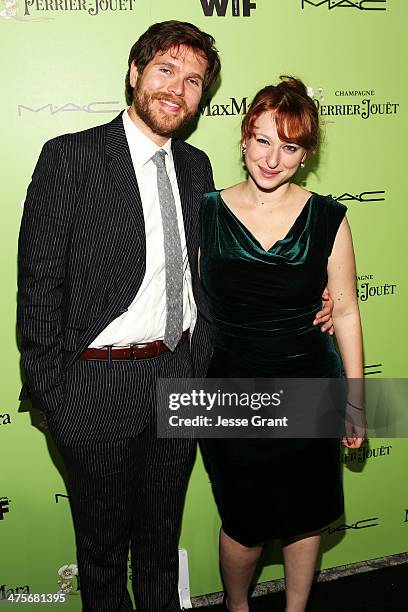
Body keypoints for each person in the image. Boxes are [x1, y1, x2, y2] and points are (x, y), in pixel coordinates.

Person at [17, 20, 221, 612]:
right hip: (94, 386)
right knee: (103, 558)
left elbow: (213, 272)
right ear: (134, 73)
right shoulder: (71, 158)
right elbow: (39, 285)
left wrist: (198, 360)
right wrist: (57, 392)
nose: (177, 90)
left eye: (193, 80)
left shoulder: (198, 166)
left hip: (178, 379)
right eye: (165, 70)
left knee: (160, 546)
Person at [199, 77, 364, 612]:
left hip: (309, 384)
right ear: (244, 139)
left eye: (289, 146)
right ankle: (237, 606)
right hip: (228, 388)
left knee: (305, 513)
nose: (273, 158)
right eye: (263, 140)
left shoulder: (328, 218)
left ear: (305, 153)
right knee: (244, 522)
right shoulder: (204, 212)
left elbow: (344, 311)